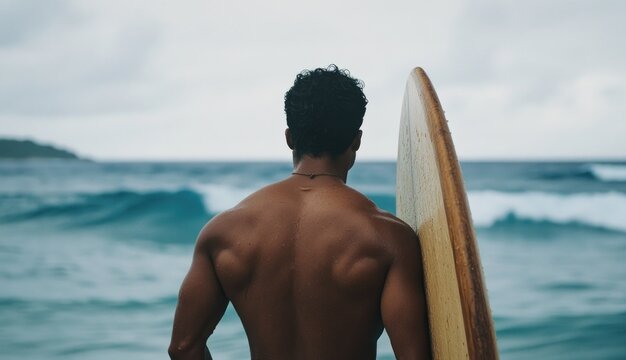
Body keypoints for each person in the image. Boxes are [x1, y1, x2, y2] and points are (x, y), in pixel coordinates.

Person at [168, 65, 430, 359]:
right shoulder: (387, 238)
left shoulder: (222, 232)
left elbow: (183, 348)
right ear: (356, 141)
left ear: (290, 137)